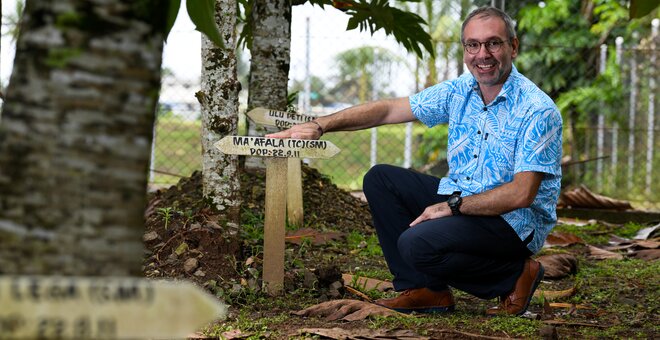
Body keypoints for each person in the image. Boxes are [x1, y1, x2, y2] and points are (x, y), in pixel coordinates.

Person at [267, 6, 562, 316]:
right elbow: (388, 110)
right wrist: (321, 124)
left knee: (415, 244)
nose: (482, 54)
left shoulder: (536, 109)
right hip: (465, 196)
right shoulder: (460, 91)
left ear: (513, 47)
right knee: (380, 179)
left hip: (513, 223)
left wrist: (450, 207)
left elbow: (521, 194)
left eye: (494, 43)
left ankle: (513, 276)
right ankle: (425, 290)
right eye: (473, 45)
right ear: (465, 50)